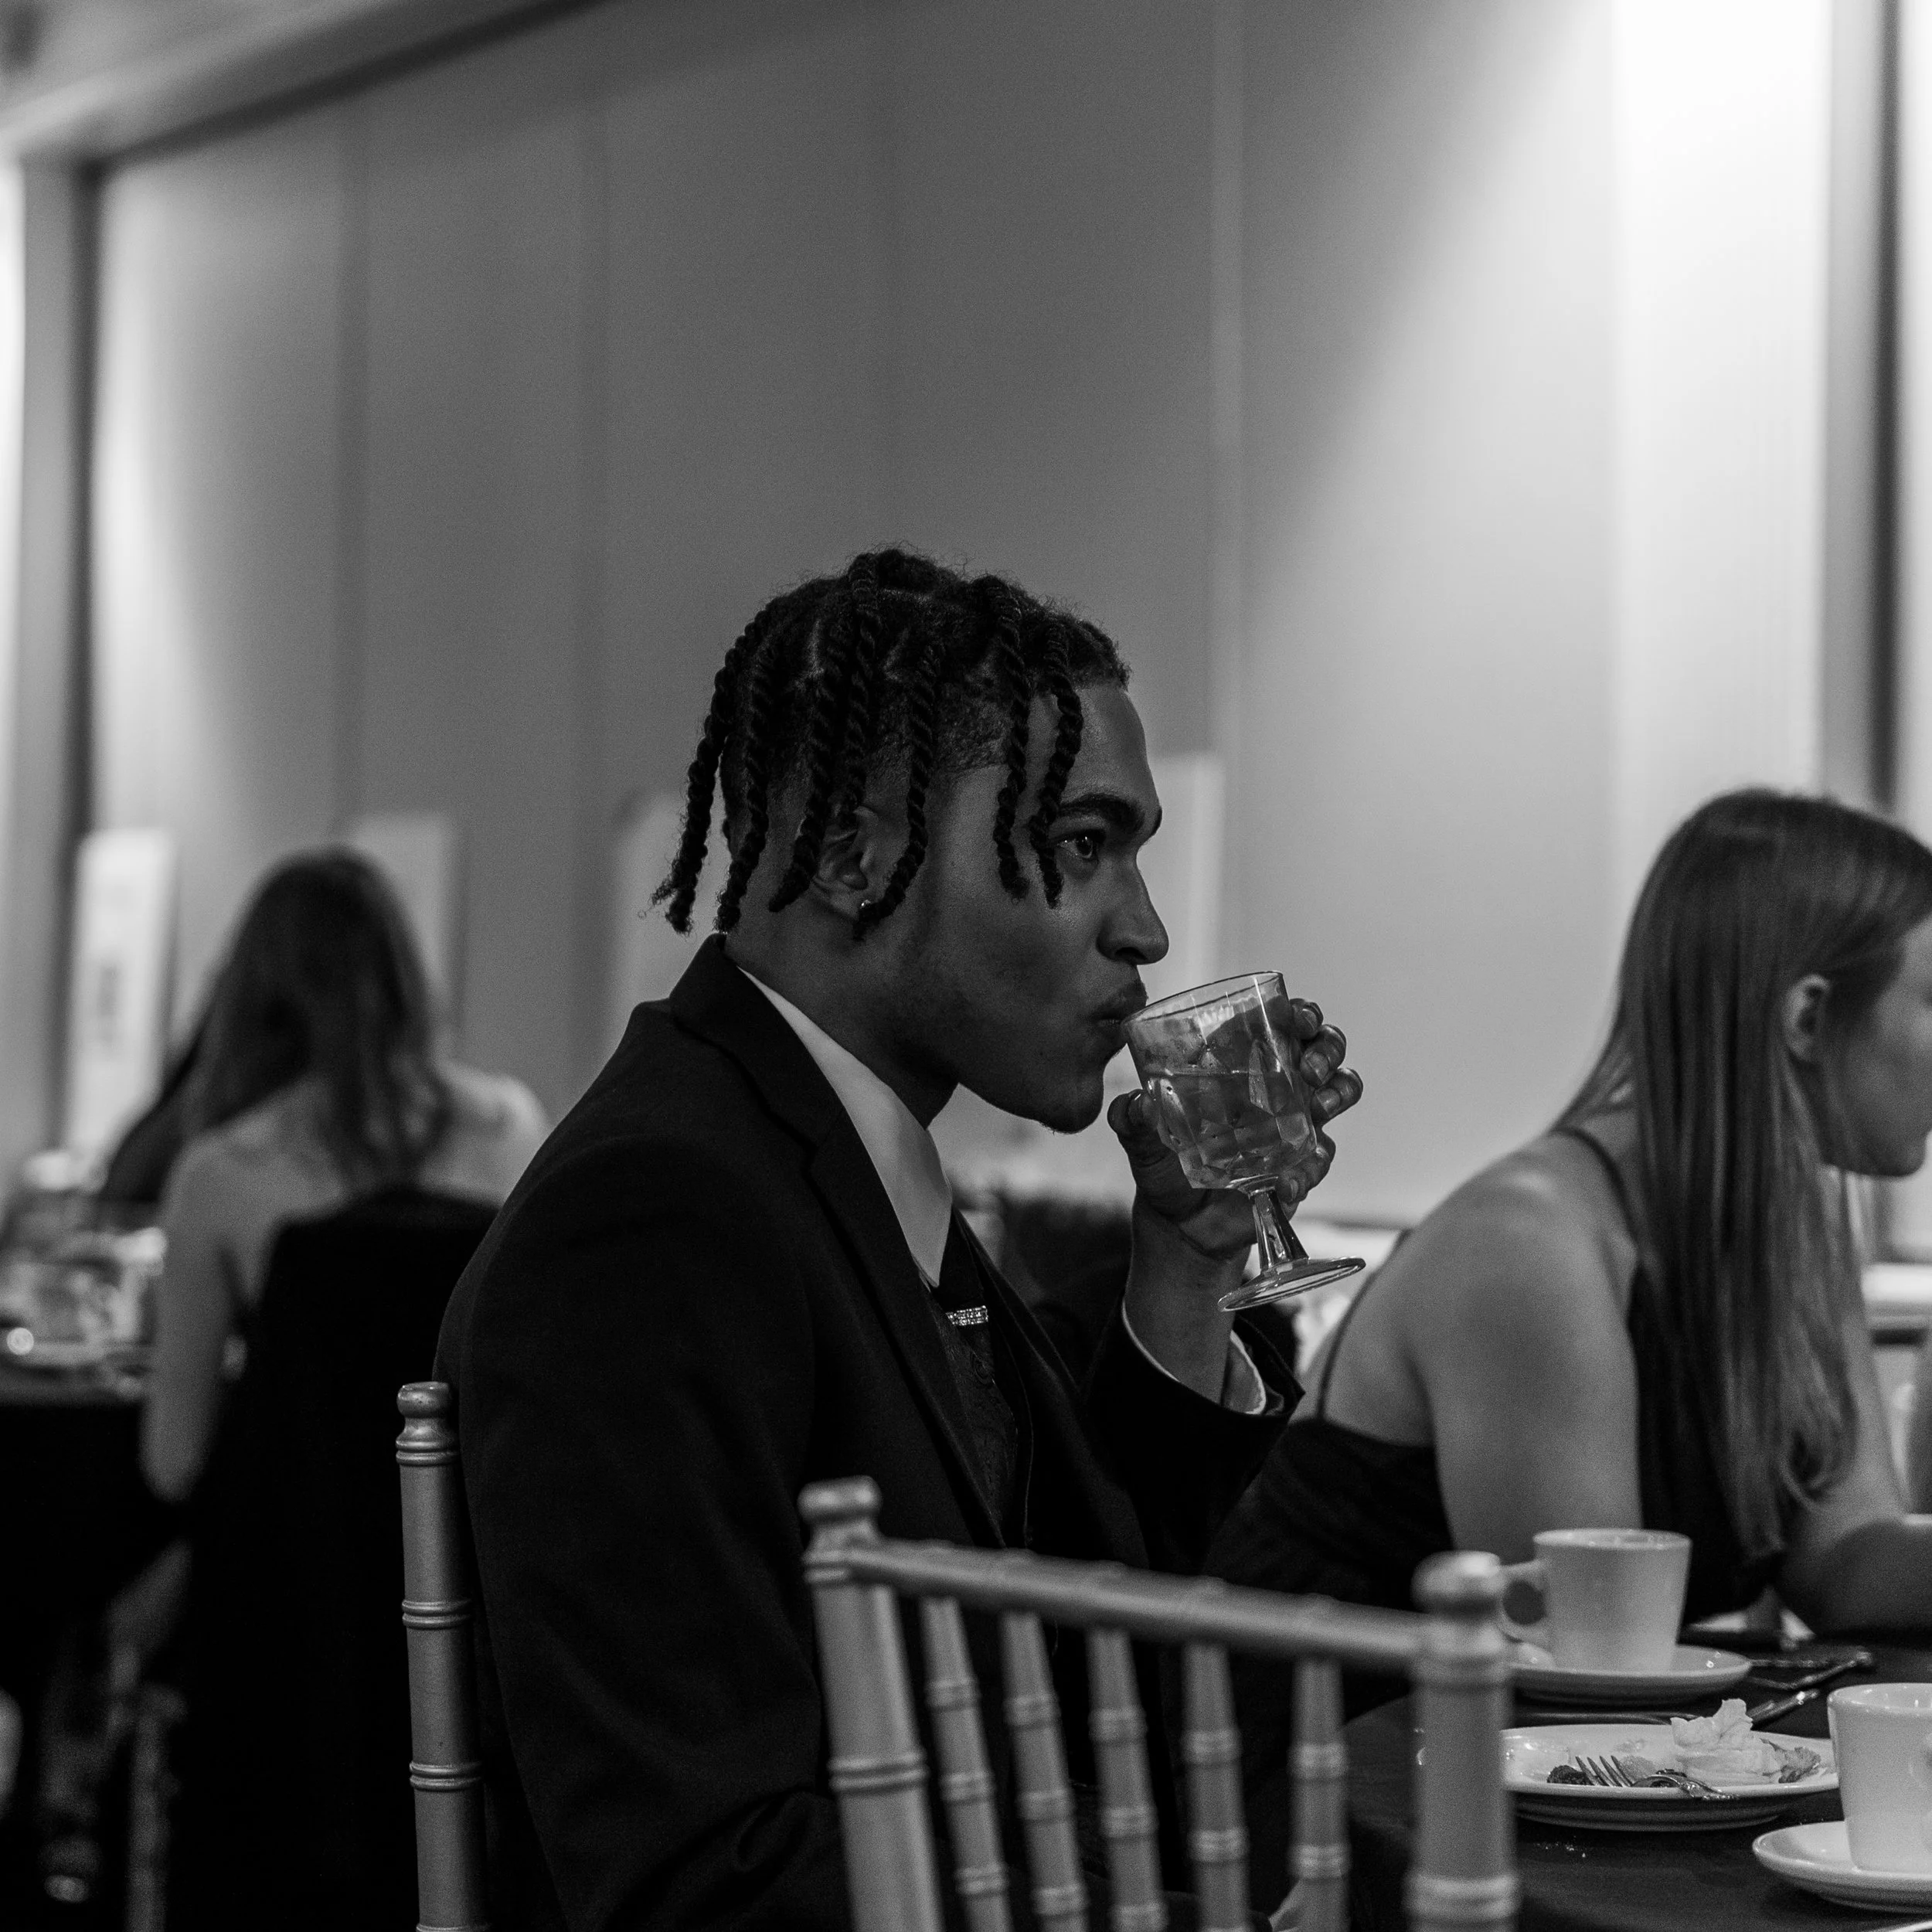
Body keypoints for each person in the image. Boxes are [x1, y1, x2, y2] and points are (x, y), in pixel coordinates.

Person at [436, 548, 1362, 1930]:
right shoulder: (650, 1218)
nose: (1149, 927)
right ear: (856, 854)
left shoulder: (843, 1160)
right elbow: (701, 1874)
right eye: (1080, 846)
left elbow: (1086, 1662)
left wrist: (1182, 1269)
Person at [1207, 789, 1932, 1870]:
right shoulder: (1533, 1244)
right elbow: (1601, 1676)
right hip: (1324, 1807)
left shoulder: (1793, 1233)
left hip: (1565, 1793)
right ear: (1810, 1019)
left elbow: (1845, 1562)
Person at [141, 850, 547, 1503]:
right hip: (485, 1556)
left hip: (300, 1575)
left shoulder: (220, 1174)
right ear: (405, 975)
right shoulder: (511, 1129)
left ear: (251, 994)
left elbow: (175, 1461)